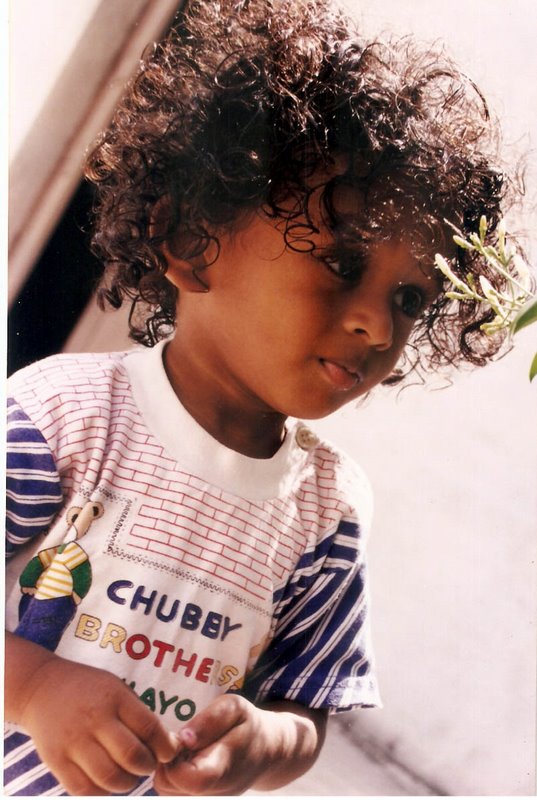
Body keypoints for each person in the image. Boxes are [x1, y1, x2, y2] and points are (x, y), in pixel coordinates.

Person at [5, 0, 514, 795]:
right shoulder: (63, 417)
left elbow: (306, 705)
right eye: (341, 264)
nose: (377, 324)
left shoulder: (328, 511)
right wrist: (35, 688)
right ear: (190, 243)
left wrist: (259, 743)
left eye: (409, 299)